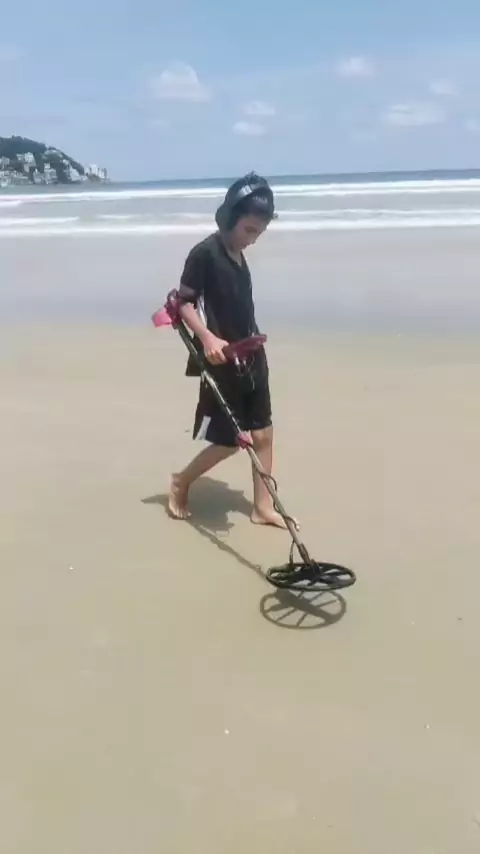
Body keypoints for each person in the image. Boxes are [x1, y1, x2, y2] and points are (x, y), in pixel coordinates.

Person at [168, 172, 289, 528]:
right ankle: (181, 480)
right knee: (231, 441)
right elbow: (183, 303)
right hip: (223, 360)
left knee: (264, 434)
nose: (253, 239)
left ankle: (262, 507)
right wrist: (207, 338)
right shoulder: (205, 253)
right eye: (249, 230)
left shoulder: (238, 254)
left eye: (259, 233)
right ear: (230, 217)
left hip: (252, 355)